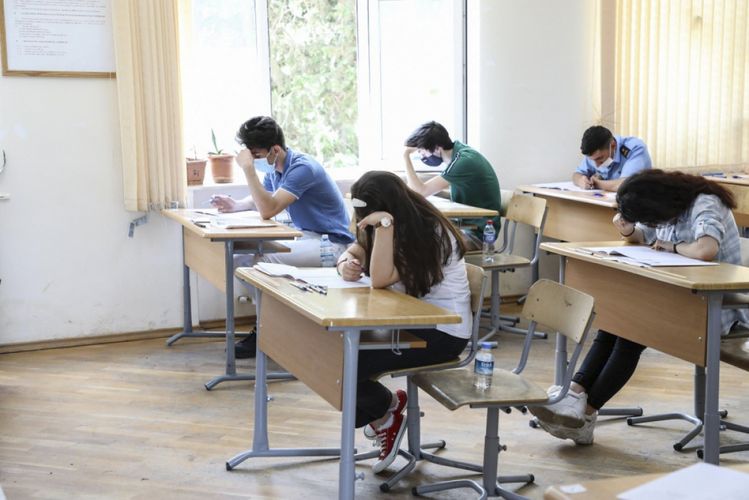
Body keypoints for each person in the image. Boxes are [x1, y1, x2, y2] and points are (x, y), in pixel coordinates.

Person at [531, 169, 749, 445]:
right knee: (617, 324)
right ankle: (574, 394)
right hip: (681, 298)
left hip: (716, 308)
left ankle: (585, 414)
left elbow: (706, 249)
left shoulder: (705, 202)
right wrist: (628, 229)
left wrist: (672, 247)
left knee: (632, 332)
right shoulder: (668, 205)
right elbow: (645, 237)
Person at [336, 170, 472, 473]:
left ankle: (386, 414)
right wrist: (345, 261)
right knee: (335, 355)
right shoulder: (393, 221)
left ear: (388, 209)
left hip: (443, 332)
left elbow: (380, 279)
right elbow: (359, 246)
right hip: (410, 321)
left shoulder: (431, 232)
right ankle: (386, 411)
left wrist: (385, 226)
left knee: (348, 364)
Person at [211, 116, 354, 358]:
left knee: (259, 265)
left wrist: (247, 169)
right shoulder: (277, 169)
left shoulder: (302, 168)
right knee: (239, 259)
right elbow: (264, 197)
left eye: (256, 156)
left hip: (333, 244)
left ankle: (268, 330)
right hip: (308, 237)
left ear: (275, 150)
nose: (253, 161)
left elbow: (268, 209)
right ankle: (272, 326)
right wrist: (237, 205)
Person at [402, 121, 501, 249]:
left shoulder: (463, 161)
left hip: (478, 235)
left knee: (420, 245)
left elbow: (420, 192)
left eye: (422, 151)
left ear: (437, 148)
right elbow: (421, 191)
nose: (422, 156)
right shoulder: (459, 154)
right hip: (464, 228)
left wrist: (405, 156)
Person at [572, 125, 652, 192]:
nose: (597, 165)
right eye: (592, 160)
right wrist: (580, 180)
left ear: (613, 145)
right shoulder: (593, 153)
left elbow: (626, 185)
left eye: (600, 158)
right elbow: (576, 174)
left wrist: (597, 183)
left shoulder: (635, 148)